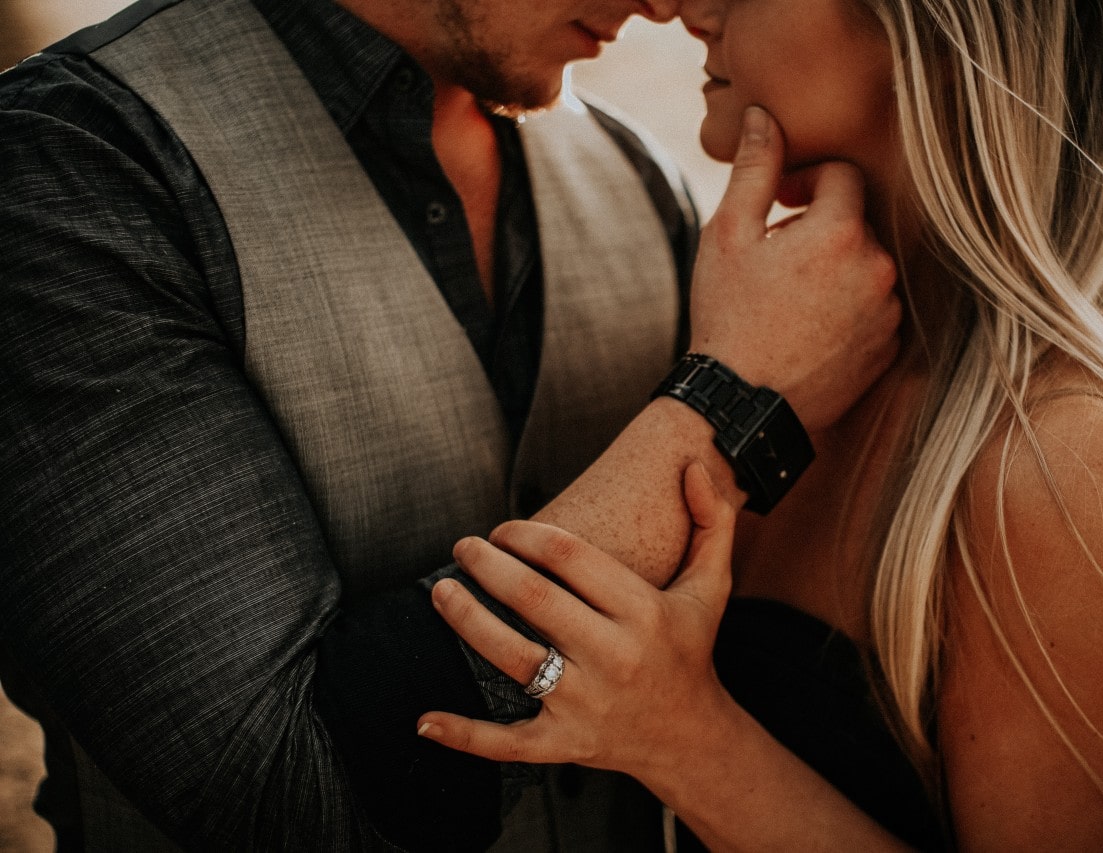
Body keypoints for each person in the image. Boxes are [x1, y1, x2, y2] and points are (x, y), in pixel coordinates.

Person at [0, 0, 904, 849]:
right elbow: (281, 800)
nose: (667, 5)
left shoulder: (635, 178)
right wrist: (734, 402)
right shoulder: (71, 166)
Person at [416, 0, 1103, 849]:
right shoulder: (759, 339)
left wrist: (690, 745)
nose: (687, 8)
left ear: (941, 35)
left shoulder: (1073, 467)